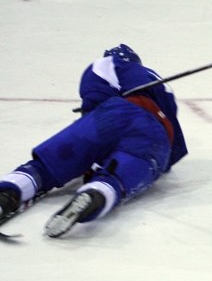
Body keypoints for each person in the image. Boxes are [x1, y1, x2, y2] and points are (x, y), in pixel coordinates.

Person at [0, 44, 188, 237]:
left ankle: (10, 190)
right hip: (159, 137)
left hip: (117, 114)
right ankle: (97, 192)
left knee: (47, 167)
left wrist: (84, 160)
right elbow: (172, 154)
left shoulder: (109, 64)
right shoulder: (164, 88)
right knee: (117, 178)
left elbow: (96, 111)